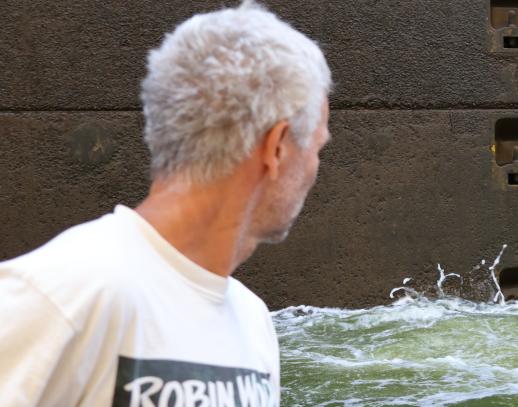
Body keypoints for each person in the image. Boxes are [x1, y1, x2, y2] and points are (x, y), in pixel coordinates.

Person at [0, 1, 332, 405]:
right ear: (276, 147)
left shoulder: (252, 321)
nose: (315, 167)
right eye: (316, 146)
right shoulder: (62, 294)